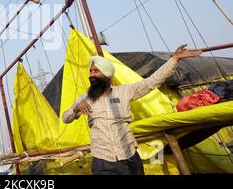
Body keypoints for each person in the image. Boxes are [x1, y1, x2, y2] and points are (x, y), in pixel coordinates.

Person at [62, 44, 202, 175]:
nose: (91, 75)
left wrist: (174, 59)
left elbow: (152, 82)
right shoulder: (85, 98)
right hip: (102, 160)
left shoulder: (124, 92)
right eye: (91, 71)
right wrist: (75, 109)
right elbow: (65, 117)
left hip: (129, 155)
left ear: (106, 74)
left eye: (96, 71)